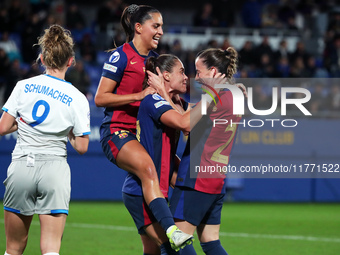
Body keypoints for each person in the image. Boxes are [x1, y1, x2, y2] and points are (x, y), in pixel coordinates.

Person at [94, 4, 193, 250]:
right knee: (149, 169)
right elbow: (100, 98)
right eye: (155, 25)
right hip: (117, 132)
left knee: (174, 177)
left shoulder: (153, 63)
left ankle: (181, 222)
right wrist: (138, 96)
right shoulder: (122, 56)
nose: (160, 31)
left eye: (161, 26)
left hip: (143, 136)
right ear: (138, 28)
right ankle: (172, 230)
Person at [0, 24, 90, 255]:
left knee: (13, 249)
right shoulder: (78, 98)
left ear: (41, 58)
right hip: (54, 169)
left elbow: (2, 127)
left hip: (22, 165)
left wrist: (20, 122)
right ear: (70, 61)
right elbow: (82, 146)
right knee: (51, 249)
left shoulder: (23, 86)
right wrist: (68, 131)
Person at [169, 47, 242, 255]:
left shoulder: (214, 95)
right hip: (216, 179)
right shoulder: (233, 95)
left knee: (178, 241)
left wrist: (163, 93)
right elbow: (195, 111)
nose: (196, 77)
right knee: (210, 242)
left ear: (213, 72)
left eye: (199, 71)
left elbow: (186, 123)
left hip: (197, 178)